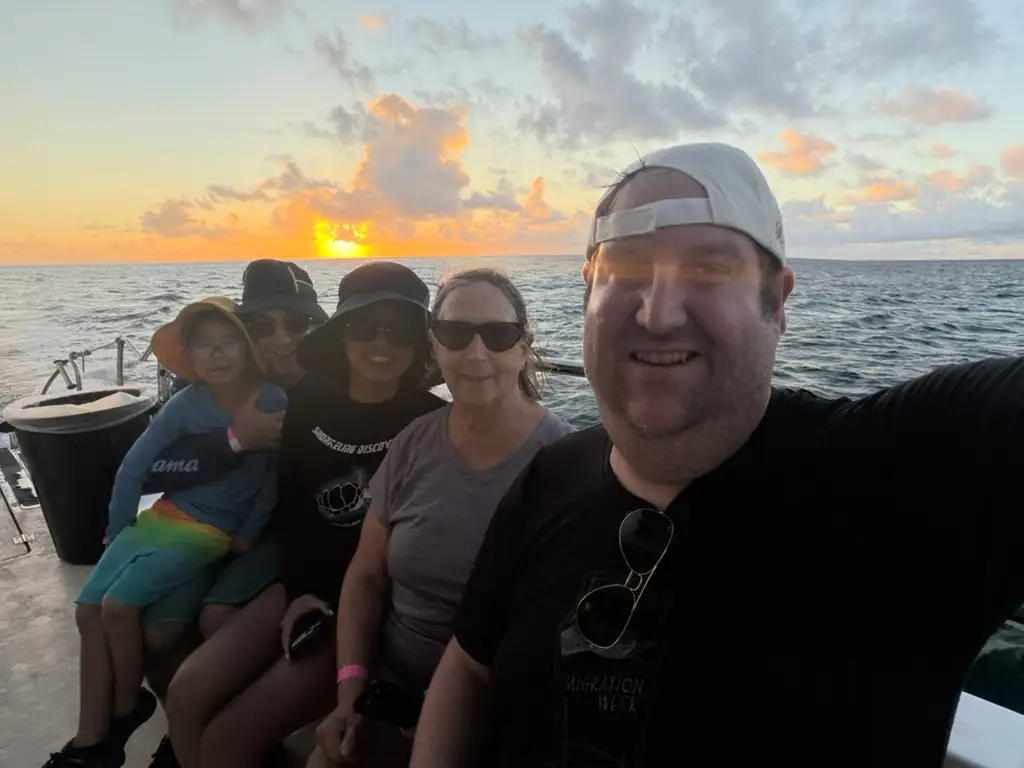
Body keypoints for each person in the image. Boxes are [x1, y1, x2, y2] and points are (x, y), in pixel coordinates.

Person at [410, 142, 1024, 768]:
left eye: (708, 269)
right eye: (626, 269)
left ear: (777, 302)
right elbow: (468, 665)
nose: (657, 313)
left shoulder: (901, 480)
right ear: (588, 293)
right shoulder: (550, 475)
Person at [163, 262, 447, 768]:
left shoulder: (430, 422)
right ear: (340, 332)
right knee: (185, 693)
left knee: (226, 742)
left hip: (367, 609)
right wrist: (297, 594)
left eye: (399, 329)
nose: (381, 343)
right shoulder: (309, 401)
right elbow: (296, 511)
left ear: (421, 341)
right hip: (303, 584)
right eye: (364, 325)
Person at [311, 268, 572, 768]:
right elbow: (365, 577)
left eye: (498, 335)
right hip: (389, 688)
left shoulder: (563, 462)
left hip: (495, 706)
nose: (477, 354)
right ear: (436, 347)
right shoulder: (412, 443)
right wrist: (351, 691)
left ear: (523, 348)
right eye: (456, 334)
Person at [45, 297, 286, 768]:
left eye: (228, 343)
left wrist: (250, 533)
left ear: (246, 347)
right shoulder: (185, 403)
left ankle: (126, 711)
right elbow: (137, 466)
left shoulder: (272, 399)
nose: (217, 354)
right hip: (168, 516)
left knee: (122, 609)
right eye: (204, 347)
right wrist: (118, 529)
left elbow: (275, 476)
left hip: (213, 530)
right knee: (87, 612)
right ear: (190, 357)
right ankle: (93, 742)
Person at [139, 260, 328, 766]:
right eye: (263, 325)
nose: (283, 338)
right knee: (151, 626)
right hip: (224, 527)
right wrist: (233, 440)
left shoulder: (335, 384)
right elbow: (154, 465)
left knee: (218, 616)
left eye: (298, 323)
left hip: (295, 536)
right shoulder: (219, 383)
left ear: (317, 325)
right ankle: (189, 730)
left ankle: (236, 726)